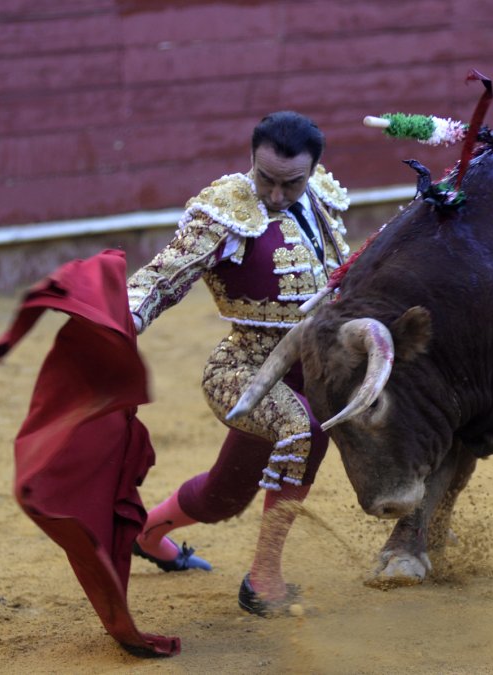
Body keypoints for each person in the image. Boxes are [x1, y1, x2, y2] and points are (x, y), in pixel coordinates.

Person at [125, 111, 350, 616]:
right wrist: (125, 316)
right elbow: (163, 277)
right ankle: (262, 579)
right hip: (244, 369)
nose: (275, 195)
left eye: (290, 183)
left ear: (312, 170)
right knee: (303, 430)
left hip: (311, 368)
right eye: (265, 178)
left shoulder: (323, 200)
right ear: (252, 159)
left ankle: (146, 533)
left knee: (223, 497)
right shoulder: (225, 210)